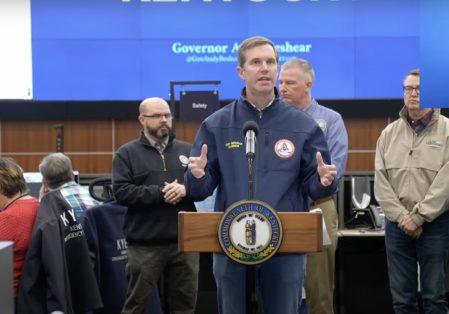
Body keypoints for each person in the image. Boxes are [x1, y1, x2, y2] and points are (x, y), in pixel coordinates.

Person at [184, 36, 338, 314]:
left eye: (270, 62)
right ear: (241, 72)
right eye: (256, 62)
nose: (265, 68)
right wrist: (195, 176)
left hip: (285, 245)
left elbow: (315, 186)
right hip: (231, 243)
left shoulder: (302, 124)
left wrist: (324, 181)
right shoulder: (217, 123)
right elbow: (200, 189)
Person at [374, 69, 449, 314]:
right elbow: (381, 182)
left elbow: (448, 181)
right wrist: (402, 217)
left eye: (419, 89)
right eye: (408, 89)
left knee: (434, 299)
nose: (413, 94)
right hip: (396, 225)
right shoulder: (388, 134)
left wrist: (418, 217)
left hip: (435, 224)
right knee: (402, 301)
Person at [112, 97, 199, 314]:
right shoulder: (126, 153)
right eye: (157, 116)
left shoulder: (188, 151)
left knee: (184, 306)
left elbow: (203, 187)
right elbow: (121, 192)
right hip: (144, 244)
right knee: (136, 306)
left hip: (185, 243)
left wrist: (186, 189)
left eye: (167, 115)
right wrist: (161, 193)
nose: (163, 120)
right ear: (142, 119)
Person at [279, 58, 348, 314]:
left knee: (318, 286)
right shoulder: (275, 120)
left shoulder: (330, 120)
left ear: (308, 84)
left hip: (316, 209)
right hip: (281, 211)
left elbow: (335, 168)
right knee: (281, 283)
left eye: (290, 82)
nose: (282, 87)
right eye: (281, 82)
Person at [18, 153, 103, 313]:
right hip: (100, 279)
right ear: (71, 173)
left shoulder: (51, 211)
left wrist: (43, 201)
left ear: (44, 182)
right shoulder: (97, 200)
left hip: (69, 286)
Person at [0, 158, 39, 304]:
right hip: (29, 297)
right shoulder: (36, 205)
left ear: (1, 187)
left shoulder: (7, 219)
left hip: (7, 299)